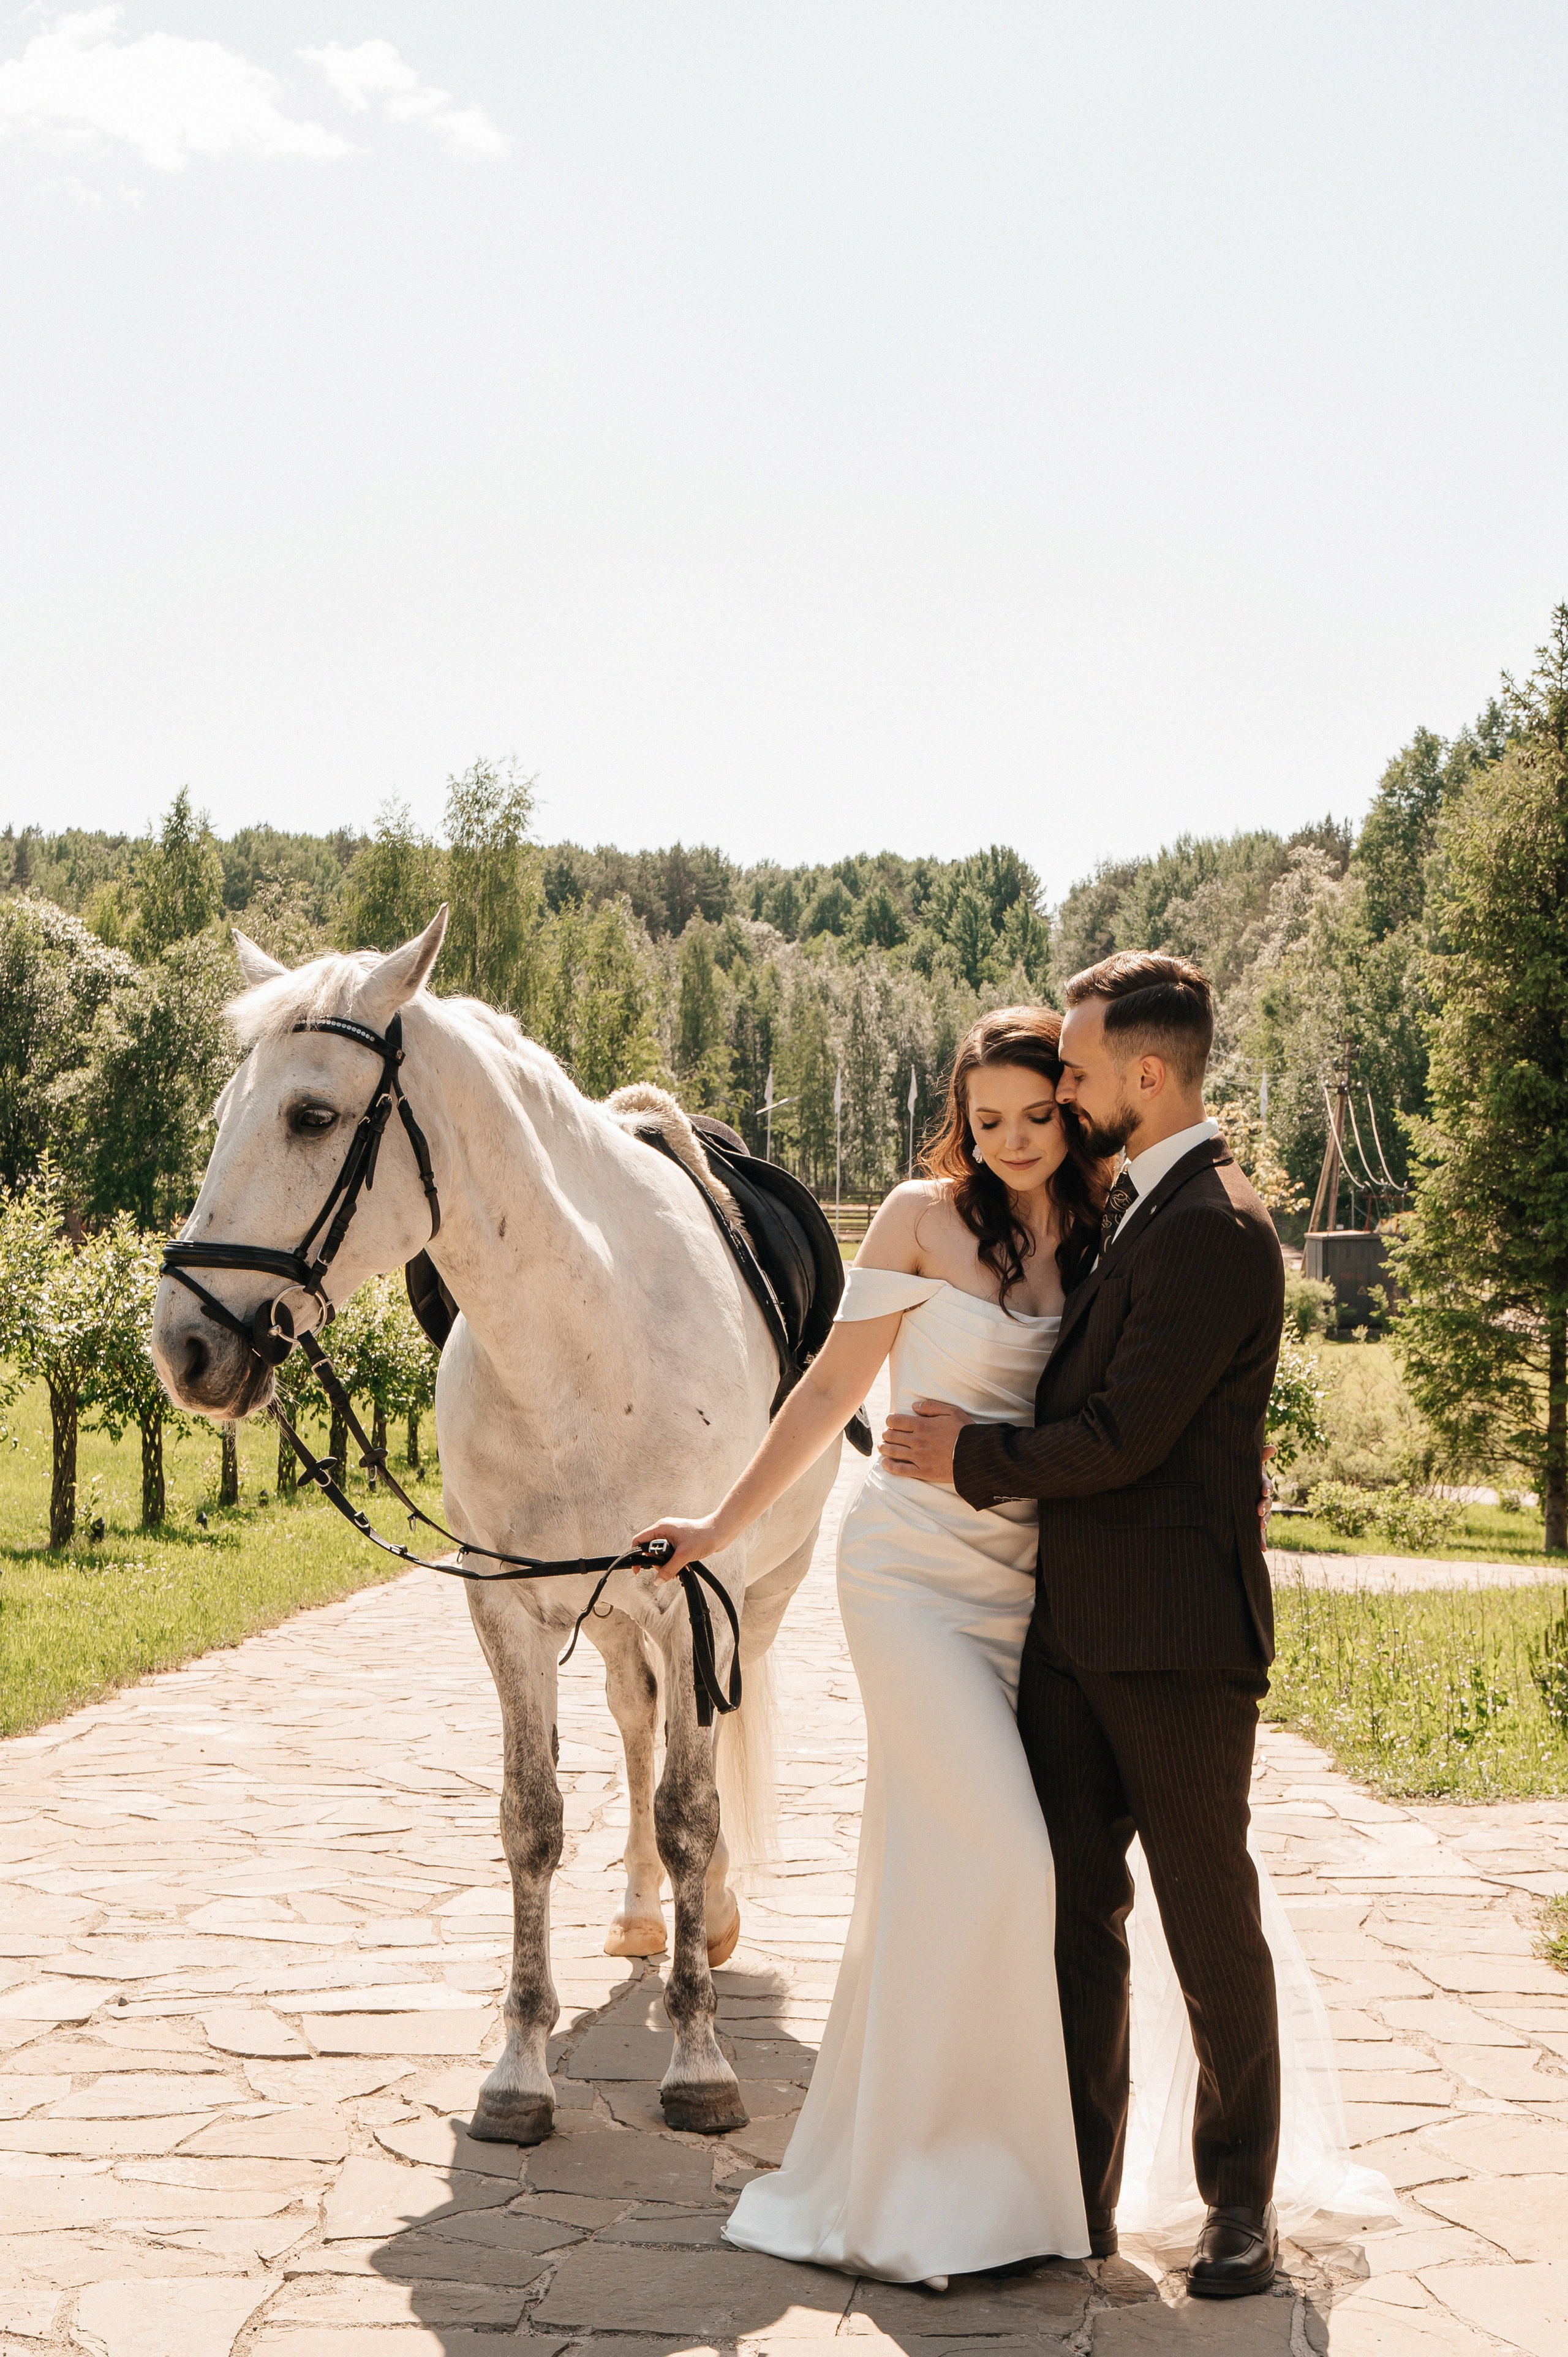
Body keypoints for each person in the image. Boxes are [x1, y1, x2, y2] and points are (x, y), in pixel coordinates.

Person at [635, 987, 1394, 2291]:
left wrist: (1001, 1454)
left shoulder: (1135, 1220)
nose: (1009, 1137)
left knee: (1106, 1900)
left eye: (1040, 1107)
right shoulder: (929, 1217)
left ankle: (1148, 2195)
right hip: (922, 1584)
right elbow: (828, 1384)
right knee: (1012, 1870)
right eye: (982, 1118)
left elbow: (1136, 1418)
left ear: (1094, 1093)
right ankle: (1000, 2177)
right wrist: (717, 1521)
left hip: (1055, 1591)